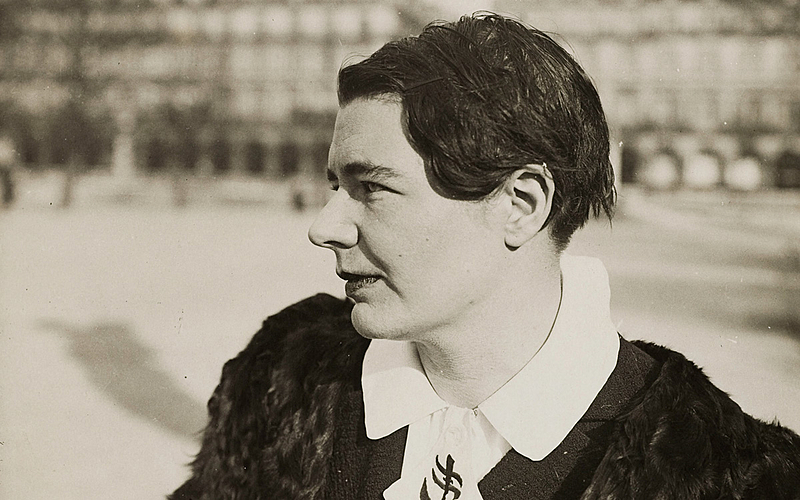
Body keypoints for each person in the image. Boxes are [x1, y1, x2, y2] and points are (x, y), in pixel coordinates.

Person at [170, 14, 800, 500]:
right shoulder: (280, 383)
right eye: (337, 185)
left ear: (521, 203)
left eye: (374, 188)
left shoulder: (727, 477)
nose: (324, 226)